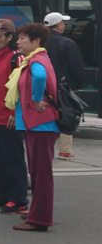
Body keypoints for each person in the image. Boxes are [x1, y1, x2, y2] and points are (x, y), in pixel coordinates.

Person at [7, 23, 60, 232]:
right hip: (37, 124)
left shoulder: (37, 61)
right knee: (37, 173)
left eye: (22, 38)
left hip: (41, 124)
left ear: (36, 41)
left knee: (41, 173)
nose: (18, 42)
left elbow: (39, 77)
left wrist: (37, 99)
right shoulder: (37, 59)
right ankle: (38, 211)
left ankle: (40, 219)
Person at [0, 19, 29, 215]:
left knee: (13, 159)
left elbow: (20, 88)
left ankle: (18, 199)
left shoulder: (15, 58)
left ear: (10, 37)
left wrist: (14, 113)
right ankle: (2, 194)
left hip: (8, 117)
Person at [43, 12, 84, 160]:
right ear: (58, 24)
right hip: (63, 86)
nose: (64, 25)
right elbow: (76, 67)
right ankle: (65, 150)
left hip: (44, 85)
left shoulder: (40, 42)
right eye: (63, 23)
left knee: (46, 115)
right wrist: (76, 85)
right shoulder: (68, 43)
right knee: (66, 114)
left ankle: (45, 146)